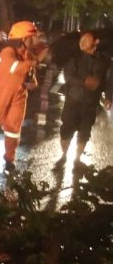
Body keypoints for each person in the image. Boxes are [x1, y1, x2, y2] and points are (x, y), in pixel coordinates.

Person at [0, 20, 49, 172]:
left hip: (19, 95)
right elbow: (15, 67)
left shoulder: (28, 54)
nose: (37, 39)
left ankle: (9, 160)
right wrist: (36, 60)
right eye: (34, 36)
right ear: (25, 38)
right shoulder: (8, 52)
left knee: (13, 128)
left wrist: (33, 83)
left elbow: (31, 76)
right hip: (2, 94)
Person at [55, 32, 113, 167]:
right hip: (73, 100)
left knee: (85, 131)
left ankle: (77, 158)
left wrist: (108, 97)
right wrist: (84, 81)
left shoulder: (104, 60)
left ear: (94, 44)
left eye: (88, 43)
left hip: (91, 103)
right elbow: (69, 76)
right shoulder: (74, 58)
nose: (84, 45)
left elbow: (109, 80)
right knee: (67, 129)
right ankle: (64, 155)